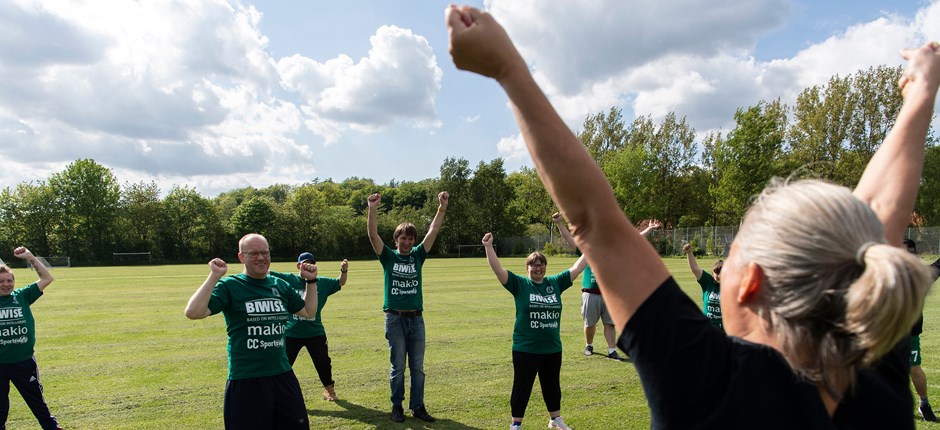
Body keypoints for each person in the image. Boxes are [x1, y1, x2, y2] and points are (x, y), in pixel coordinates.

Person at [446, 7, 940, 427]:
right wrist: (920, 95)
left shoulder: (712, 384)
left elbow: (594, 221)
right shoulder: (874, 366)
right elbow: (878, 217)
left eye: (734, 251)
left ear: (751, 283)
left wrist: (507, 70)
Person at [184, 233, 319, 430]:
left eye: (265, 253)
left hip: (282, 375)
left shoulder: (280, 285)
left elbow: (308, 311)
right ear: (241, 257)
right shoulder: (231, 286)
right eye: (254, 253)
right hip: (246, 379)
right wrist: (214, 275)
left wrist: (311, 282)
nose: (261, 258)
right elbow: (193, 312)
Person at [482, 232, 588, 430]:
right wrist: (489, 247)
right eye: (534, 265)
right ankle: (516, 424)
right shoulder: (520, 284)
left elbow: (577, 267)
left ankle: (555, 419)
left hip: (552, 348)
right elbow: (498, 270)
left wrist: (590, 248)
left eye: (541, 264)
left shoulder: (554, 283)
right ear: (527, 268)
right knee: (522, 386)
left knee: (552, 386)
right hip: (526, 348)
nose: (538, 268)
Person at [367, 191, 448, 423]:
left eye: (411, 238)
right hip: (394, 319)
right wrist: (372, 209)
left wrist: (441, 208)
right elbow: (373, 236)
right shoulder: (389, 257)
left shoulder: (417, 256)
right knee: (398, 367)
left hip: (416, 319)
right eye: (403, 238)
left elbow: (432, 232)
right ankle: (396, 407)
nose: (407, 242)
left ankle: (418, 407)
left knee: (418, 368)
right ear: (396, 240)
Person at [553, 213, 661, 358]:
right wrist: (559, 223)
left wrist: (649, 229)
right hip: (590, 293)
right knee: (590, 324)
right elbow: (569, 239)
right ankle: (589, 346)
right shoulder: (587, 249)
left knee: (609, 323)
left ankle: (611, 350)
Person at [269, 253, 348, 402]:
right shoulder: (288, 279)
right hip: (292, 332)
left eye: (311, 263)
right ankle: (276, 392)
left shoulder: (321, 282)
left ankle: (329, 390)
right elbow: (267, 273)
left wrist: (344, 271)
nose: (308, 266)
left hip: (315, 332)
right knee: (283, 364)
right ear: (298, 265)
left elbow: (340, 283)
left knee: (323, 362)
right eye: (305, 263)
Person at [0, 247, 61, 430]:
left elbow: (46, 278)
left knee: (36, 400)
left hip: (23, 362)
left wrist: (29, 257)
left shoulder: (22, 295)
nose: (6, 284)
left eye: (9, 280)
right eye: (1, 281)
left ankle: (51, 427)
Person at [904, 238, 939, 422]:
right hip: (883, 333)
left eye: (911, 251)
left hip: (910, 333)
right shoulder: (884, 273)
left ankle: (924, 404)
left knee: (914, 368)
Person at [682, 243, 724, 330]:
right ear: (712, 274)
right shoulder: (707, 282)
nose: (719, 275)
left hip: (724, 330)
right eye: (717, 272)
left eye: (722, 272)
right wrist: (689, 253)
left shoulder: (730, 285)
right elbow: (694, 268)